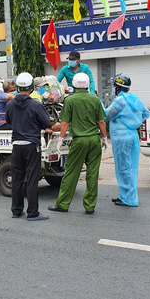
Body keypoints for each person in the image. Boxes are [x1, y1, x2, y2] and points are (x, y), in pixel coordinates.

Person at [49, 73, 108, 215]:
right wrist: (104, 138)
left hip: (79, 140)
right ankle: (90, 206)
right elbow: (101, 121)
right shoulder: (95, 99)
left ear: (74, 85)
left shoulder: (70, 100)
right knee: (93, 174)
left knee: (71, 173)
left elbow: (65, 123)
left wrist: (61, 139)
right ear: (87, 85)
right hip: (94, 140)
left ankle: (63, 204)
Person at [6, 72, 52, 221]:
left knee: (17, 178)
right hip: (31, 145)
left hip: (16, 145)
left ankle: (16, 210)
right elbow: (46, 123)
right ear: (32, 87)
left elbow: (8, 120)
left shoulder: (10, 104)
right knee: (31, 179)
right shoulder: (35, 104)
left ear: (17, 88)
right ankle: (33, 213)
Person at [105, 74, 150, 207]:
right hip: (132, 136)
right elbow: (146, 113)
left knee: (123, 167)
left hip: (121, 137)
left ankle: (129, 199)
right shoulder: (135, 99)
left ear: (117, 87)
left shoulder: (120, 101)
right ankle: (124, 196)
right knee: (131, 167)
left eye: (114, 85)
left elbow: (107, 115)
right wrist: (133, 122)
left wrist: (99, 104)